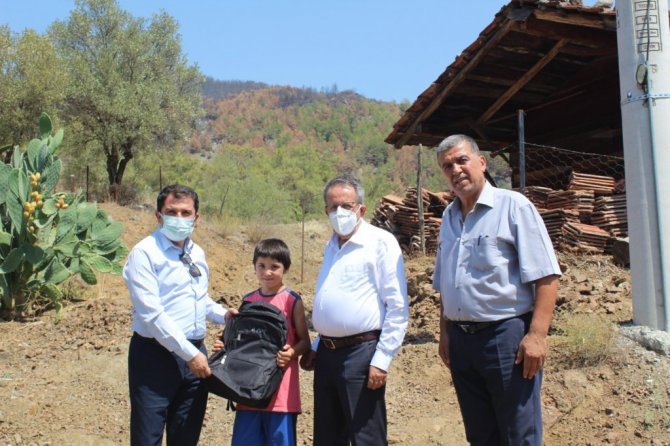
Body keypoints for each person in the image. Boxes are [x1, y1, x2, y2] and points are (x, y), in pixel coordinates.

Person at [432, 134, 561, 446]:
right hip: (462, 342)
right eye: (448, 166)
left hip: (505, 340)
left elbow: (546, 275)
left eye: (462, 160)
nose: (456, 170)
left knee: (519, 434)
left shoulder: (513, 207)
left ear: (481, 162)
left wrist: (537, 336)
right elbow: (446, 282)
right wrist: (445, 333)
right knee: (480, 435)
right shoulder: (449, 217)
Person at [300, 174, 409, 446]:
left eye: (346, 206)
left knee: (366, 436)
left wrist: (382, 359)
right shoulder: (330, 245)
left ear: (361, 208)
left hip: (360, 354)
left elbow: (397, 306)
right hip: (326, 355)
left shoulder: (380, 242)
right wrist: (316, 344)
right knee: (327, 436)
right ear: (326, 211)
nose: (340, 213)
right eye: (333, 207)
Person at [123, 184, 233, 446]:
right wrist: (190, 354)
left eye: (186, 213)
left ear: (197, 217)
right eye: (171, 212)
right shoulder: (144, 254)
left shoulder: (197, 253)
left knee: (186, 436)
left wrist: (226, 315)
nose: (179, 218)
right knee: (147, 437)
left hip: (194, 358)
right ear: (158, 216)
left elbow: (198, 299)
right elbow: (152, 314)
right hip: (155, 357)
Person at [213, 238, 311, 446]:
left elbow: (305, 341)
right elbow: (238, 341)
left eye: (274, 267)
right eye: (262, 266)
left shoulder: (292, 300)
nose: (267, 272)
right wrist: (224, 346)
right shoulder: (248, 301)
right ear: (254, 267)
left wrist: (291, 353)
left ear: (286, 268)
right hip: (248, 390)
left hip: (281, 394)